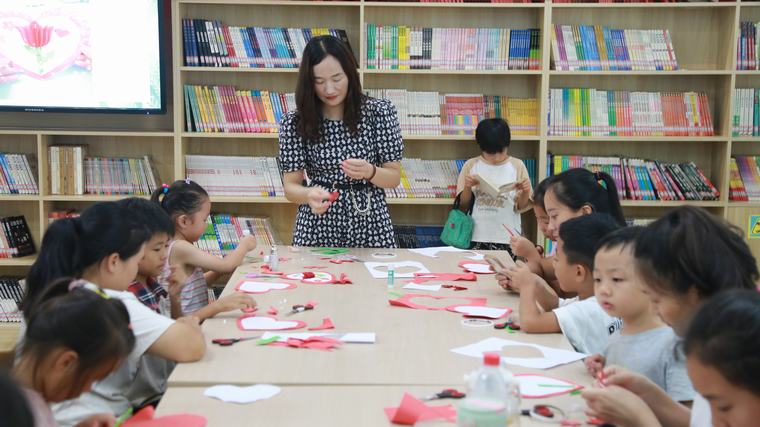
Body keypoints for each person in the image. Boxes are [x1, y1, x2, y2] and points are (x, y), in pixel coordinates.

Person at [19, 201, 205, 426]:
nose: (135, 270)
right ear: (114, 262)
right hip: (85, 416)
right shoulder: (105, 302)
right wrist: (192, 326)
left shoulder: (59, 288)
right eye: (136, 262)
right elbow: (191, 346)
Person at [582, 206, 759, 427]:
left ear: (693, 292)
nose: (654, 310)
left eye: (656, 299)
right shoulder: (713, 340)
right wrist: (649, 394)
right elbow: (700, 422)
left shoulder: (741, 352)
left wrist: (640, 418)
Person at [279, 35, 403, 247]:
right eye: (319, 82)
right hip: (317, 225)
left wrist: (370, 172)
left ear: (350, 74)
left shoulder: (379, 112)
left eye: (337, 79)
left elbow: (393, 177)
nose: (329, 89)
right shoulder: (294, 122)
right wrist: (309, 194)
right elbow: (290, 187)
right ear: (309, 82)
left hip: (371, 225)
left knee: (373, 281)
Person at [586, 226, 694, 402]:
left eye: (617, 279)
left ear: (655, 279)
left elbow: (688, 416)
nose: (603, 290)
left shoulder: (674, 344)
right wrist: (603, 367)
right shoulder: (616, 335)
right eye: (598, 279)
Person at [14, 280, 135, 427]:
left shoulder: (31, 401)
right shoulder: (15, 413)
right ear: (66, 362)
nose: (88, 389)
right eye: (91, 379)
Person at [516, 213, 622, 354]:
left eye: (557, 258)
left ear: (579, 272)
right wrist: (534, 282)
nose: (553, 263)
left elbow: (530, 323)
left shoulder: (587, 310)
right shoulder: (598, 299)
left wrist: (526, 287)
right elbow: (555, 305)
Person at [152, 179, 257, 319]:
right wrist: (245, 244)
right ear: (184, 221)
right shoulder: (180, 247)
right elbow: (226, 266)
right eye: (204, 219)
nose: (206, 225)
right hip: (187, 327)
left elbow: (194, 286)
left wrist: (216, 273)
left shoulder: (178, 244)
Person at [455, 118, 532, 255]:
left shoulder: (517, 165)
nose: (496, 157)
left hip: (507, 237)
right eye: (490, 153)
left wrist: (525, 191)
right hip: (476, 235)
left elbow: (521, 207)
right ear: (481, 147)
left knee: (504, 274)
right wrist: (467, 187)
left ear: (507, 145)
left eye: (500, 151)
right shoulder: (471, 165)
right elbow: (463, 205)